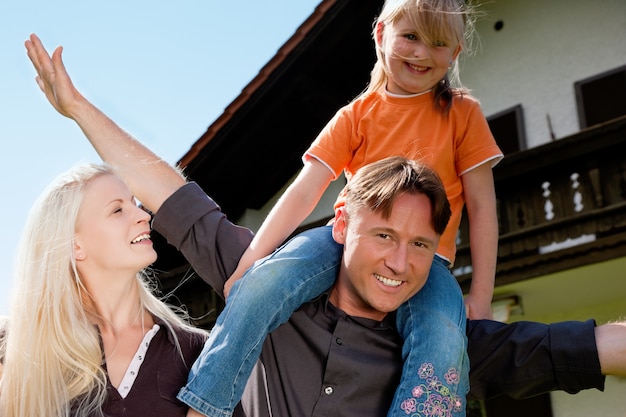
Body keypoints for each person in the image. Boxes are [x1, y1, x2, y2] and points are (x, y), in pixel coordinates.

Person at [25, 33, 626, 417]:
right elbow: (168, 191)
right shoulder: (268, 282)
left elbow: (586, 347)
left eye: (422, 245)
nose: (400, 262)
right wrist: (79, 109)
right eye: (384, 236)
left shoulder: (441, 345)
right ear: (342, 225)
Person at [179, 0, 500, 415]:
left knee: (443, 343)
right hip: (345, 240)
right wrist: (252, 262)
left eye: (438, 44)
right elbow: (303, 192)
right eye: (411, 36)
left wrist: (481, 296)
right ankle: (204, 404)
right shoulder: (356, 115)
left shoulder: (462, 114)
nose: (421, 53)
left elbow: (483, 207)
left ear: (455, 53)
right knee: (260, 286)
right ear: (382, 35)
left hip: (427, 260)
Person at [0, 163, 207, 417]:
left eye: (134, 203)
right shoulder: (19, 354)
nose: (144, 215)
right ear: (75, 246)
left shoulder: (199, 352)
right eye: (118, 210)